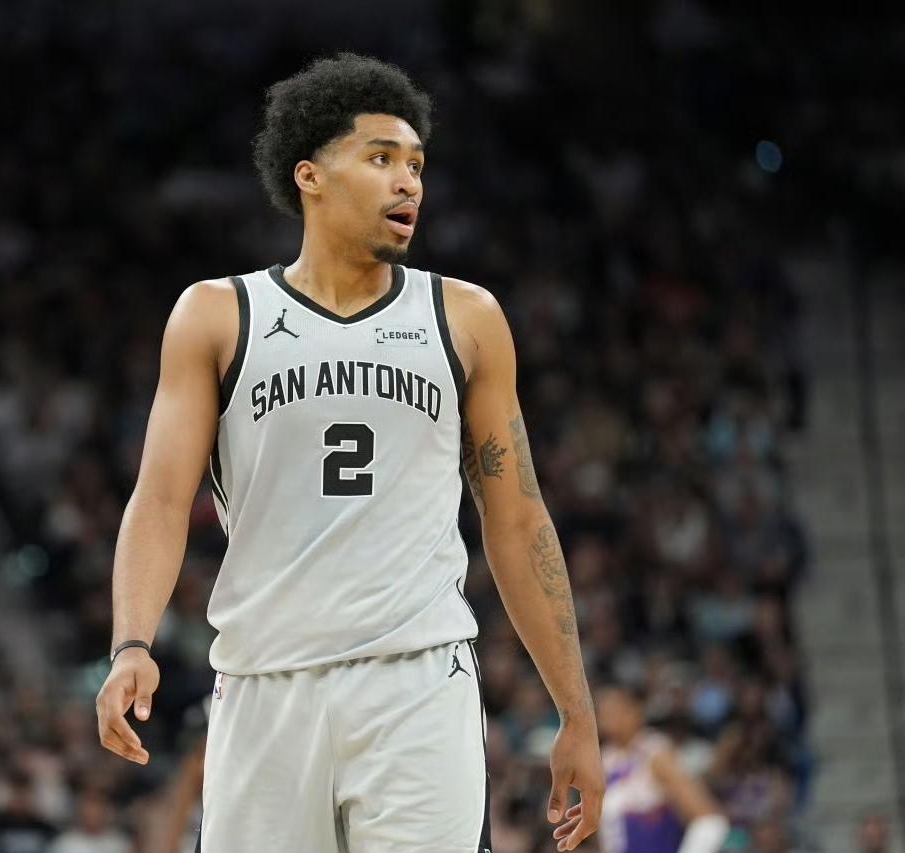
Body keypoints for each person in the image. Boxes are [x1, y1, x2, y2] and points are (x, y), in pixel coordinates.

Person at [95, 51, 604, 853]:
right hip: (264, 681)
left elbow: (517, 518)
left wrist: (575, 711)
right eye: (381, 159)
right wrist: (132, 642)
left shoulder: (465, 317)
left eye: (416, 165)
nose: (408, 183)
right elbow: (158, 499)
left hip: (416, 680)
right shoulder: (217, 315)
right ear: (310, 175)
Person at [596, 682, 729, 853]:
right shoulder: (605, 759)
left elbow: (710, 821)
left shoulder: (656, 754)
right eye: (603, 712)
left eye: (615, 710)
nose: (608, 718)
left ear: (636, 711)